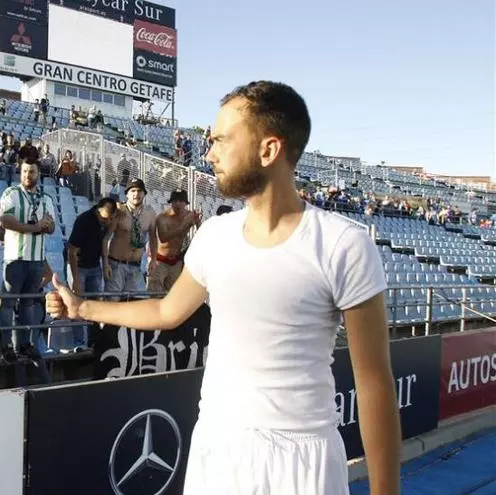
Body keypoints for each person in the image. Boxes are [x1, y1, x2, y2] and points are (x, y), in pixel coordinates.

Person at [46, 81, 400, 494]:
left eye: (220, 140)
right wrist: (82, 308)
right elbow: (166, 311)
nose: (209, 153)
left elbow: (374, 383)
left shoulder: (344, 245)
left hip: (302, 464)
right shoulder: (215, 235)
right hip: (217, 449)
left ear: (268, 150)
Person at [0, 159, 56, 362]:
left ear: (38, 174)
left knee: (28, 303)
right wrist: (35, 227)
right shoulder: (11, 193)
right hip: (15, 257)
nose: (27, 175)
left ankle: (25, 344)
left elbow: (52, 227)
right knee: (8, 303)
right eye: (24, 171)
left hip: (36, 259)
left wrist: (47, 225)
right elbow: (6, 221)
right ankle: (6, 346)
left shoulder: (46, 198)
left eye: (31, 172)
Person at [66, 197, 117, 350]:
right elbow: (71, 251)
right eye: (105, 219)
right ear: (97, 211)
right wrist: (75, 279)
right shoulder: (84, 221)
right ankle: (79, 343)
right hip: (78, 266)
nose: (107, 222)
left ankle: (93, 342)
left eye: (110, 219)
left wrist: (105, 264)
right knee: (77, 303)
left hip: (94, 266)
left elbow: (103, 243)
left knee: (94, 305)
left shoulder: (107, 221)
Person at [103, 178, 157, 294]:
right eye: (132, 191)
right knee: (113, 300)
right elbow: (106, 238)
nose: (136, 194)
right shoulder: (119, 211)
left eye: (139, 191)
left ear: (144, 194)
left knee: (137, 301)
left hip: (136, 266)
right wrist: (105, 264)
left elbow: (153, 238)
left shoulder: (150, 213)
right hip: (117, 265)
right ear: (127, 194)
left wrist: (153, 259)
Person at [148, 190, 201, 292]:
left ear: (186, 203)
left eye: (181, 201)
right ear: (171, 202)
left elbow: (201, 234)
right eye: (175, 201)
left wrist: (198, 222)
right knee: (154, 294)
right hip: (159, 260)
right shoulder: (162, 217)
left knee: (173, 294)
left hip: (176, 261)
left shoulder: (189, 216)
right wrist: (182, 227)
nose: (178, 204)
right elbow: (163, 238)